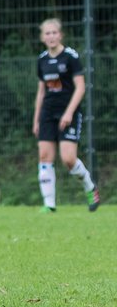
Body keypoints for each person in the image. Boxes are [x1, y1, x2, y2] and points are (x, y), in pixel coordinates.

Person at [33, 18, 98, 212]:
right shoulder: (42, 60)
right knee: (44, 157)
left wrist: (69, 113)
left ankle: (90, 188)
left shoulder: (70, 57)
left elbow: (80, 87)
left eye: (54, 32)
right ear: (42, 37)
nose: (51, 36)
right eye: (47, 33)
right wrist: (36, 118)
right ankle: (49, 205)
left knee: (68, 159)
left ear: (60, 35)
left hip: (67, 112)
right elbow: (41, 92)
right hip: (47, 113)